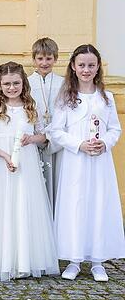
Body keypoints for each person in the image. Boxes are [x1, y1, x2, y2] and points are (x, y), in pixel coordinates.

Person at [0, 62, 59, 281]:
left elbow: (43, 135)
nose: (12, 88)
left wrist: (31, 139)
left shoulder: (32, 106)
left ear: (23, 83)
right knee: (5, 208)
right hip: (1, 165)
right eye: (7, 84)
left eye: (16, 83)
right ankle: (5, 259)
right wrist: (4, 155)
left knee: (25, 206)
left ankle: (26, 260)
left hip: (27, 163)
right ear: (0, 85)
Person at [50, 44, 124, 282]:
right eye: (81, 65)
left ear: (98, 67)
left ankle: (98, 260)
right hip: (76, 162)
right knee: (75, 205)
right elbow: (56, 131)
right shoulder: (66, 98)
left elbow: (114, 128)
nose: (86, 70)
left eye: (91, 65)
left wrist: (106, 142)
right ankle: (74, 259)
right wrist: (79, 144)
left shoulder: (106, 98)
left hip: (100, 164)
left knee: (98, 204)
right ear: (73, 66)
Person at [27, 37, 64, 210]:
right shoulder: (27, 82)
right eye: (40, 58)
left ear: (55, 59)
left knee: (58, 181)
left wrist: (51, 134)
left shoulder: (63, 83)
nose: (44, 63)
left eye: (48, 58)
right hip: (35, 138)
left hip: (56, 139)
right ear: (34, 59)